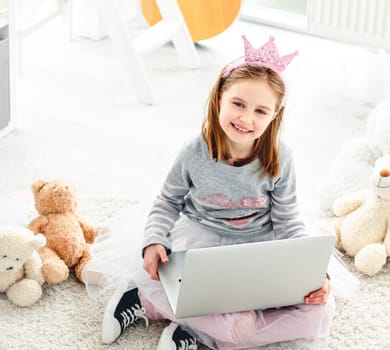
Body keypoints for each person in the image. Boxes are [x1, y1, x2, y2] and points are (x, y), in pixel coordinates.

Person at [83, 35, 357, 350]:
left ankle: (191, 328)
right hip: (203, 238)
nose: (246, 118)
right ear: (219, 99)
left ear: (274, 116)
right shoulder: (195, 151)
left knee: (317, 315)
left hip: (260, 241)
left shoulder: (281, 157)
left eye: (260, 111)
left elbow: (288, 221)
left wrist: (312, 276)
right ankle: (145, 300)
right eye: (238, 104)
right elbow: (167, 202)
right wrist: (155, 240)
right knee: (184, 288)